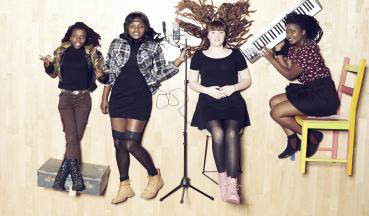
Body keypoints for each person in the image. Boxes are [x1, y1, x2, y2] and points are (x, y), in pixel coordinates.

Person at [100, 11, 188, 204]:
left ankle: (155, 176)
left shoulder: (153, 46)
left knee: (131, 144)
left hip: (140, 98)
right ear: (127, 27)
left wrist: (179, 61)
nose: (136, 29)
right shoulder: (116, 43)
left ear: (145, 27)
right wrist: (104, 98)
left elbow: (159, 73)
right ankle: (125, 186)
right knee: (118, 143)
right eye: (132, 26)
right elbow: (109, 72)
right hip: (118, 98)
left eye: (140, 26)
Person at [260, 12, 340, 159]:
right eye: (287, 31)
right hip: (311, 91)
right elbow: (289, 69)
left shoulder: (309, 49)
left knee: (276, 113)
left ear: (303, 32)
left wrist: (271, 59)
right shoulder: (295, 47)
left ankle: (311, 135)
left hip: (323, 96)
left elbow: (290, 75)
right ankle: (293, 142)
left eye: (293, 31)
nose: (289, 34)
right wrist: (278, 52)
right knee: (273, 102)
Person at [188, 20, 252, 204]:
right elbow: (192, 82)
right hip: (208, 102)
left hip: (233, 102)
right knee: (218, 133)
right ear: (207, 35)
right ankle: (222, 179)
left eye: (220, 32)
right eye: (213, 32)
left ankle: (232, 185)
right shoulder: (199, 56)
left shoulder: (236, 54)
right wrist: (208, 90)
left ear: (225, 35)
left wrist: (233, 87)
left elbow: (247, 80)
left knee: (232, 133)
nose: (217, 36)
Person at [40, 22, 108, 192]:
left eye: (82, 36)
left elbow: (104, 77)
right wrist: (47, 66)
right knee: (72, 137)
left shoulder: (93, 53)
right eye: (75, 36)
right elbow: (54, 73)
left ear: (86, 39)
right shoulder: (61, 51)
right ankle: (77, 179)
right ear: (70, 36)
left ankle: (60, 178)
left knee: (73, 139)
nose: (78, 39)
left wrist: (102, 76)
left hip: (83, 99)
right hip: (65, 99)